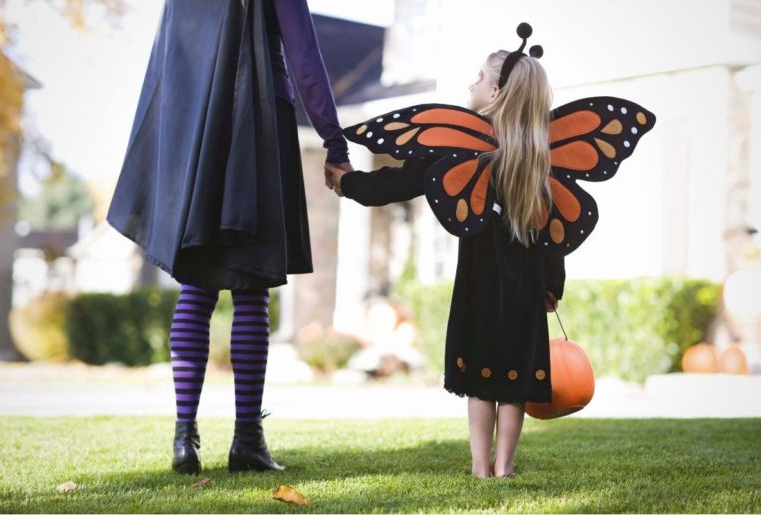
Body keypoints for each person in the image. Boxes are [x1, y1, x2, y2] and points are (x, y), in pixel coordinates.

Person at [107, 0, 352, 474]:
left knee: (196, 289)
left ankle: (184, 439)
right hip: (257, 128)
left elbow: (166, 66)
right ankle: (246, 440)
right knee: (250, 291)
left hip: (196, 134)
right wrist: (334, 144)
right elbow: (304, 56)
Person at [326, 46, 565, 478]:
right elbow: (553, 235)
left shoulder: (460, 146)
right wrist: (552, 284)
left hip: (479, 279)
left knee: (480, 374)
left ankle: (480, 466)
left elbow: (401, 180)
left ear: (495, 92)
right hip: (526, 287)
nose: (469, 85)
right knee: (514, 377)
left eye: (477, 78)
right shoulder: (540, 157)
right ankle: (505, 466)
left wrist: (350, 184)